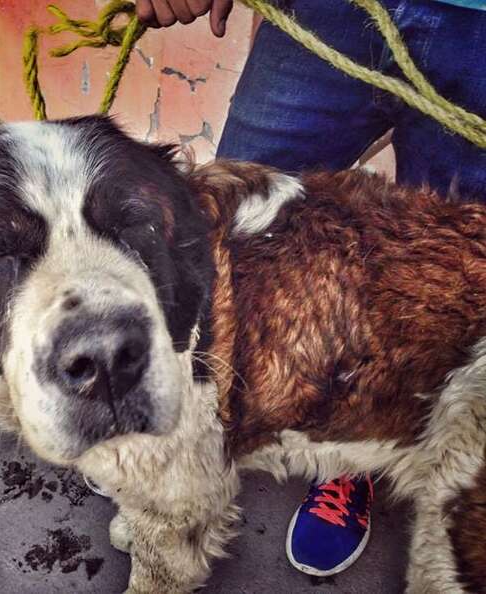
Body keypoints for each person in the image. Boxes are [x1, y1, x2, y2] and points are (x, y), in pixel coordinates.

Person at [136, 0, 486, 578]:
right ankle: (190, 439)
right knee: (226, 245)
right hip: (333, 9)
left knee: (450, 294)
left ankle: (352, 456)